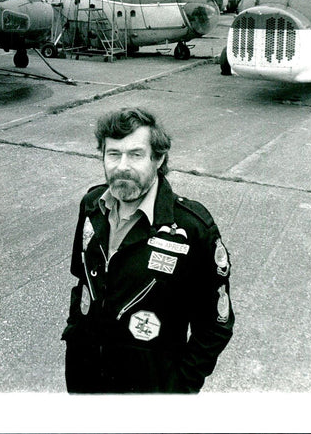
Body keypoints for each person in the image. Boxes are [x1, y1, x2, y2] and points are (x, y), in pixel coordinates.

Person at [62, 107, 234, 393]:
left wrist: (180, 387)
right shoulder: (92, 205)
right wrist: (75, 334)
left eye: (136, 154)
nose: (122, 166)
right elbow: (82, 279)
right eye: (113, 154)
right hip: (85, 378)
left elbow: (216, 324)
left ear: (159, 159)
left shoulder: (191, 229)